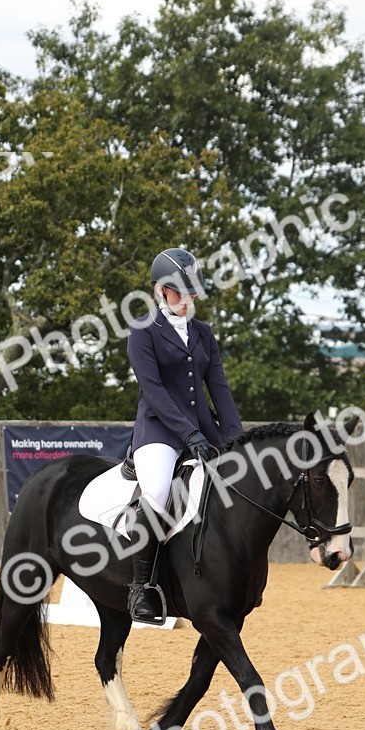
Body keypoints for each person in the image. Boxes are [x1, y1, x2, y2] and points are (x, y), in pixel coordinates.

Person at [125, 247, 244, 622]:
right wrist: (188, 433)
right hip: (159, 433)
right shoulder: (143, 331)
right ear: (161, 290)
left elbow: (219, 389)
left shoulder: (203, 334)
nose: (188, 299)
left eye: (192, 292)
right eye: (180, 292)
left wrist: (236, 438)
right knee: (158, 490)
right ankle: (140, 589)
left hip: (202, 432)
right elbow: (155, 392)